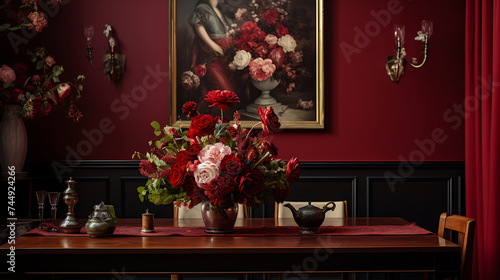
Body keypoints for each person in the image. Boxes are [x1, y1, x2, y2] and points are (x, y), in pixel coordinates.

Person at [189, 0, 241, 116]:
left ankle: (225, 125)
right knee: (225, 92)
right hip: (211, 57)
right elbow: (198, 25)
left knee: (232, 93)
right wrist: (213, 45)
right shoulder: (203, 8)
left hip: (226, 59)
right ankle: (211, 123)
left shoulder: (221, 9)